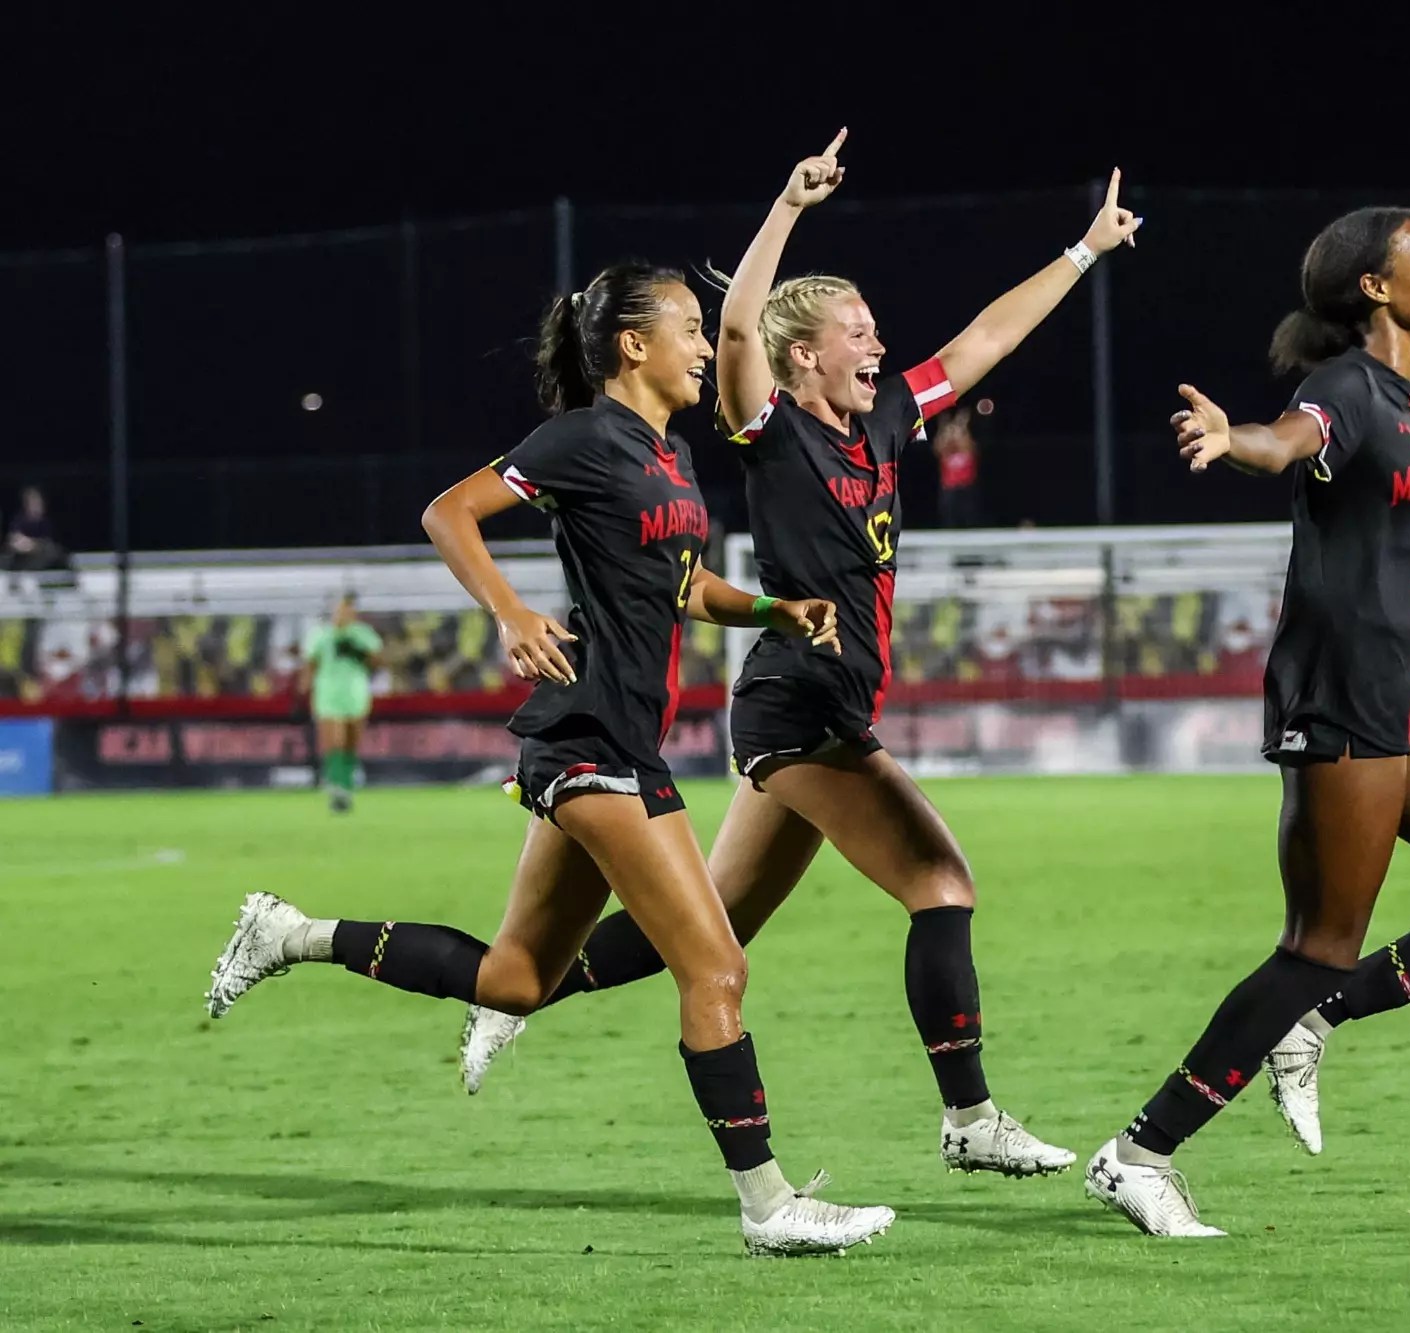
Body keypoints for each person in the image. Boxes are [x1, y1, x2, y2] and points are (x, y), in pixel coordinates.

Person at [455, 131, 1141, 1180]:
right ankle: (968, 1119)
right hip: (796, 707)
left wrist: (1083, 251)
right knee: (940, 885)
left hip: (822, 702)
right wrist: (787, 204)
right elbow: (736, 323)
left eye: (874, 330)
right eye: (853, 331)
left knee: (701, 934)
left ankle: (519, 997)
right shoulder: (765, 425)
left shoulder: (888, 422)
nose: (876, 344)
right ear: (803, 355)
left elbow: (981, 343)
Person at [203, 261, 894, 1257]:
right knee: (714, 967)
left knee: (519, 979)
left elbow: (687, 587)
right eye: (691, 329)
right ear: (633, 345)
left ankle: (289, 934)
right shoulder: (578, 439)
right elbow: (449, 512)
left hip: (622, 740)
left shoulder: (671, 455)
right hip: (585, 740)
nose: (707, 346)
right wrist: (512, 609)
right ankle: (768, 1203)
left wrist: (771, 608)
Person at [1081, 209, 1410, 1236]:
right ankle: (1137, 1153)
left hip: (1407, 698)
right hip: (1340, 700)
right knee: (1315, 944)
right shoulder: (1348, 386)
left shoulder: (1408, 398)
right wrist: (1235, 441)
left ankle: (1317, 1017)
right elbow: (1290, 443)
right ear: (1371, 288)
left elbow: (1392, 534)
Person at [298, 593, 383, 812]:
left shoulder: (362, 634)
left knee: (351, 743)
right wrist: (303, 690)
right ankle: (336, 788)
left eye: (348, 610)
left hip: (355, 693)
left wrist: (358, 652)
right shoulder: (320, 635)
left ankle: (346, 785)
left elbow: (376, 662)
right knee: (334, 741)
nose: (344, 614)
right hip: (328, 693)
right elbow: (311, 664)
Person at [5, 486, 70, 590]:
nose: (36, 506)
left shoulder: (45, 523)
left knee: (57, 552)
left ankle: (66, 583)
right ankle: (14, 585)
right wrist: (27, 545)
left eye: (38, 503)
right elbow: (14, 540)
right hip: (24, 558)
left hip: (42, 557)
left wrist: (33, 545)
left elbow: (48, 543)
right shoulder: (20, 520)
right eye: (33, 503)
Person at [931, 404, 984, 528]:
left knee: (969, 517)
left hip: (966, 488)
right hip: (949, 489)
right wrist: (943, 427)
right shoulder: (945, 450)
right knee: (949, 518)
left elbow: (964, 442)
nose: (953, 435)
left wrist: (961, 425)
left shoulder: (967, 448)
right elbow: (939, 446)